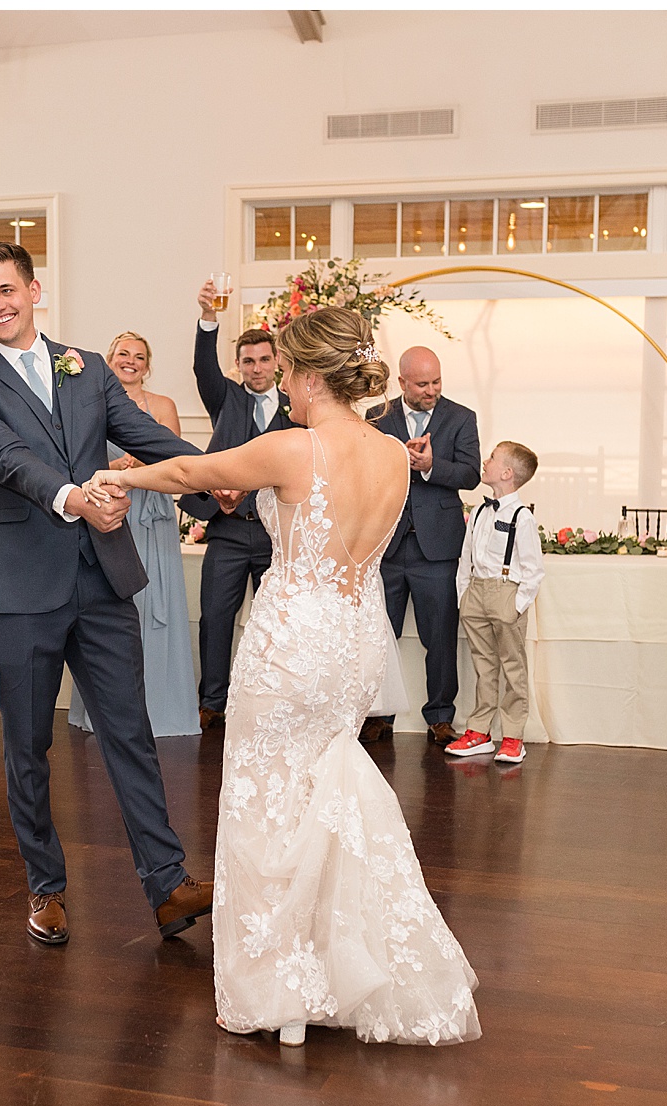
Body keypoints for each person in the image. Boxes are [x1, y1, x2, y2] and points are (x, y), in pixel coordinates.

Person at [84, 305, 479, 1047]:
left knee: (266, 803)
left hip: (292, 642)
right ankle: (339, 969)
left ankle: (281, 989)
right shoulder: (395, 452)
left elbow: (192, 471)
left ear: (304, 373)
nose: (282, 388)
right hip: (356, 642)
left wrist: (113, 473)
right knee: (325, 794)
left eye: (286, 373)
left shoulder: (297, 446)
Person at [0, 241, 213, 947]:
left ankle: (167, 883)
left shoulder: (87, 366)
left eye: (7, 290)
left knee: (130, 729)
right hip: (22, 585)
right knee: (29, 745)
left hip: (100, 578)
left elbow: (143, 433)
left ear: (36, 290)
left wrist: (212, 474)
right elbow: (6, 458)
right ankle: (46, 886)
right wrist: (77, 498)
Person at [68, 331, 199, 738]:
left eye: (139, 356)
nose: (130, 361)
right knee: (113, 607)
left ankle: (165, 709)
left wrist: (138, 468)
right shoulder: (89, 403)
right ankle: (109, 712)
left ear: (147, 364)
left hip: (152, 514)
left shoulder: (163, 405)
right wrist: (114, 468)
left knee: (157, 605)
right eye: (123, 354)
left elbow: (174, 454)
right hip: (108, 511)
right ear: (109, 359)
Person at [184, 279, 292, 731]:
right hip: (228, 530)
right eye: (248, 361)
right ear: (239, 366)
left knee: (276, 624)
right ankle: (212, 701)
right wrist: (209, 318)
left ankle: (272, 702)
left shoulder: (296, 408)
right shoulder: (226, 398)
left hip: (278, 535)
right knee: (216, 617)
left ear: (277, 363)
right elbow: (202, 367)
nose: (257, 367)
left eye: (265, 359)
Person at [361, 345, 482, 746]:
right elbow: (365, 473)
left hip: (439, 549)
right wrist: (400, 463)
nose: (431, 390)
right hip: (388, 548)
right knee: (379, 636)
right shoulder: (377, 418)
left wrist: (431, 466)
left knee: (441, 637)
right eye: (422, 384)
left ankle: (441, 716)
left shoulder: (462, 418)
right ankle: (378, 715)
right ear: (402, 382)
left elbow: (469, 474)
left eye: (437, 382)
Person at [445, 442, 543, 764]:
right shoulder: (478, 512)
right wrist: (464, 595)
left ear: (506, 473)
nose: (484, 462)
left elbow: (533, 570)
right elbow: (465, 556)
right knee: (483, 665)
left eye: (491, 459)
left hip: (505, 594)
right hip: (476, 592)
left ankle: (513, 736)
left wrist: (516, 605)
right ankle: (480, 731)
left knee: (513, 667)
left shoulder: (521, 517)